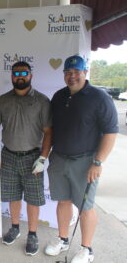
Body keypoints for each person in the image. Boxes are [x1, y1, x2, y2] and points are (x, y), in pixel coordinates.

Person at [44, 55, 118, 263]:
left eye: (76, 72)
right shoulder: (59, 96)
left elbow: (111, 133)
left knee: (85, 207)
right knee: (63, 202)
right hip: (58, 158)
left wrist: (98, 162)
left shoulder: (100, 98)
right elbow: (51, 129)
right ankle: (63, 239)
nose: (72, 76)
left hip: (85, 162)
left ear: (85, 72)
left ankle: (87, 249)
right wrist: (45, 156)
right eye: (68, 72)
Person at [0, 61, 52, 255]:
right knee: (13, 195)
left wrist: (43, 158)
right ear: (11, 76)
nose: (20, 76)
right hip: (8, 155)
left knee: (33, 198)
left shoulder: (42, 101)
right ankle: (15, 227)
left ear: (31, 75)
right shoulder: (2, 100)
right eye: (16, 73)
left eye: (24, 72)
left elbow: (48, 132)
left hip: (33, 157)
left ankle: (32, 234)